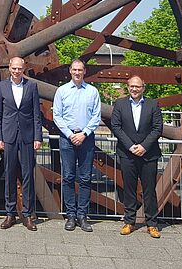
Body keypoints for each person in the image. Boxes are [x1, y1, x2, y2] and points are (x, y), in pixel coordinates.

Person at [110, 75, 162, 238]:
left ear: (143, 88)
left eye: (137, 86)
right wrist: (131, 146)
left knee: (149, 190)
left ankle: (152, 224)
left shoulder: (153, 104)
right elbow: (116, 127)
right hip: (127, 154)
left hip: (148, 154)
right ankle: (129, 222)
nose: (134, 89)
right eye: (132, 86)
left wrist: (144, 146)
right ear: (128, 87)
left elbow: (157, 128)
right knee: (129, 189)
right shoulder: (120, 103)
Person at [0, 56, 42, 231]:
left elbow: (37, 114)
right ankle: (10, 214)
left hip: (28, 136)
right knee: (9, 174)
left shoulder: (31, 86)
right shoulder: (1, 86)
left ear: (24, 69)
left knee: (28, 175)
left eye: (19, 69)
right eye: (14, 68)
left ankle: (28, 215)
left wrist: (38, 137)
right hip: (8, 136)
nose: (16, 71)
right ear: (9, 68)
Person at [53, 59, 101, 233]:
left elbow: (96, 116)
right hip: (68, 138)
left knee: (86, 178)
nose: (77, 72)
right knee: (68, 177)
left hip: (86, 138)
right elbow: (57, 116)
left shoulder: (93, 92)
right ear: (70, 71)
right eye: (74, 70)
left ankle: (82, 216)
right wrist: (70, 134)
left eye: (80, 70)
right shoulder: (62, 91)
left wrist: (84, 134)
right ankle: (71, 216)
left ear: (84, 71)